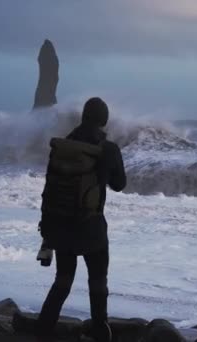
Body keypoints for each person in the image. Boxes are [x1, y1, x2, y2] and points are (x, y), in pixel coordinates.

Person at [36, 97, 126, 341]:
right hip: (91, 226)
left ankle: (44, 328)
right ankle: (99, 329)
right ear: (104, 120)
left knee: (63, 279)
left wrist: (46, 231)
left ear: (83, 117)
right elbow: (120, 184)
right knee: (97, 280)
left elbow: (49, 188)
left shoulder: (64, 146)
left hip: (60, 223)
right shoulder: (106, 148)